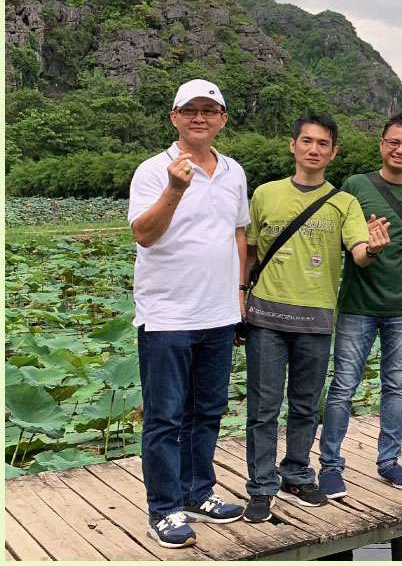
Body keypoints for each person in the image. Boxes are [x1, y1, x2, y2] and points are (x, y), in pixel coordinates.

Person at [242, 115, 391, 523]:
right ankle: (260, 485)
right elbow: (250, 251)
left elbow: (359, 253)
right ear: (293, 146)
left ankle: (295, 473)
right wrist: (240, 295)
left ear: (333, 152)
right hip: (266, 317)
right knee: (263, 406)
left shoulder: (344, 202)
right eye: (306, 141)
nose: (313, 149)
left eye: (322, 144)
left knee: (306, 405)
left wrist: (374, 248)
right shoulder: (266, 194)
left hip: (316, 318)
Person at [128, 79, 248, 548]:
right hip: (167, 316)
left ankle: (199, 492)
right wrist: (176, 189)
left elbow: (239, 234)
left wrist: (239, 294)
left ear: (221, 119)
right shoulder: (153, 171)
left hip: (218, 313)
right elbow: (144, 234)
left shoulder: (234, 171)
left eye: (209, 110)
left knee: (208, 411)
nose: (200, 117)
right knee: (164, 417)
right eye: (190, 110)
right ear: (174, 117)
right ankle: (165, 509)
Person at [317, 113, 402, 500]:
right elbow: (336, 239)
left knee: (396, 385)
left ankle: (389, 461)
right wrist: (366, 244)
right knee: (343, 387)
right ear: (382, 143)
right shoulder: (354, 186)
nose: (400, 150)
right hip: (358, 304)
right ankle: (331, 466)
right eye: (394, 142)